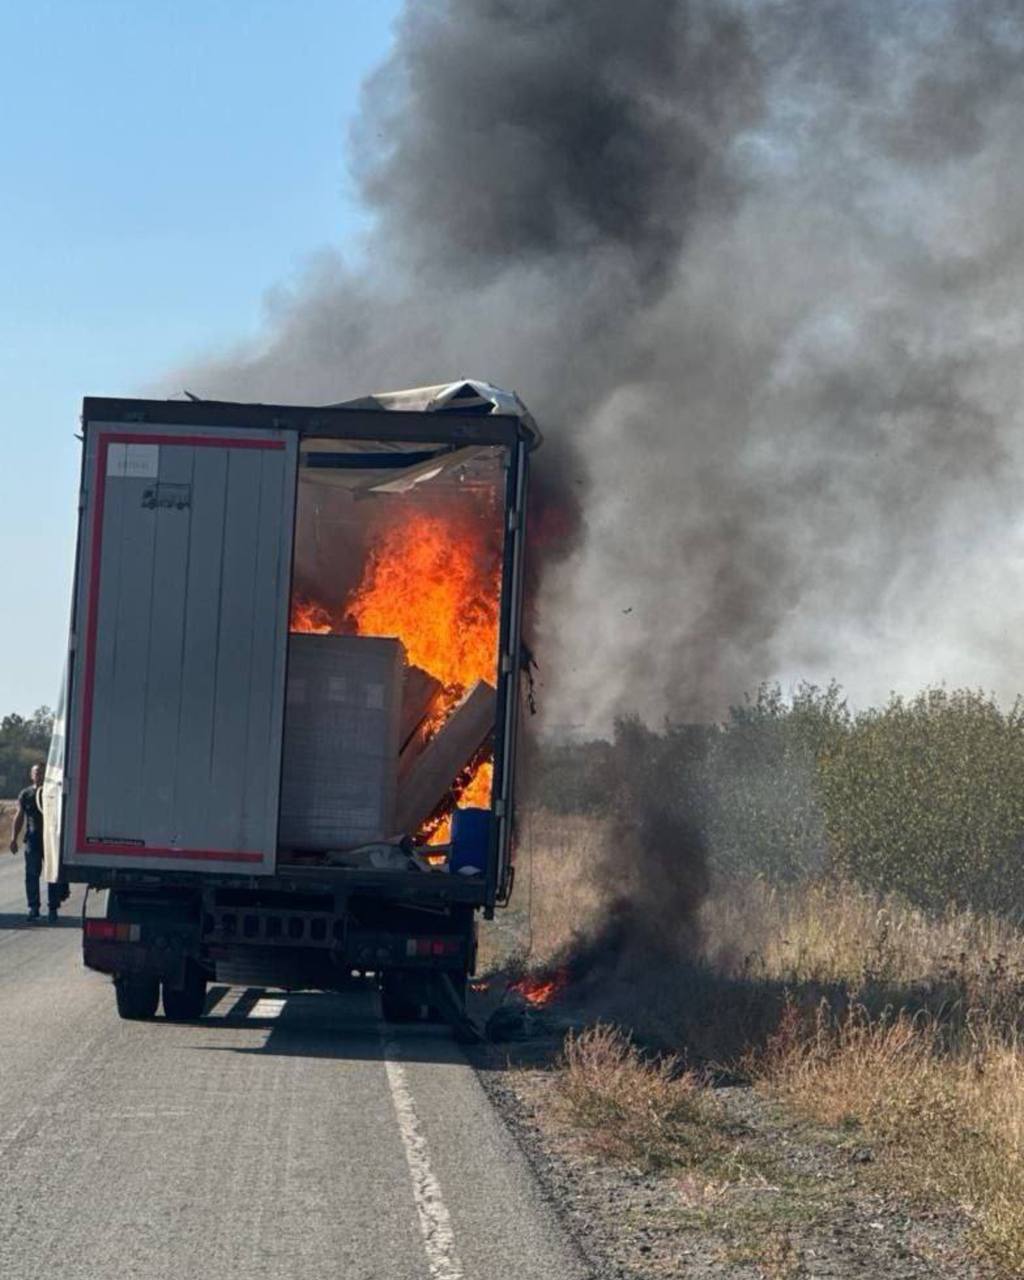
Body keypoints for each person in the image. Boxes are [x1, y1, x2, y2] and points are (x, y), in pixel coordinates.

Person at [9, 762, 61, 923]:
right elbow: (19, 816)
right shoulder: (25, 794)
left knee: (53, 874)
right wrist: (13, 838)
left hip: (51, 840)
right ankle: (33, 908)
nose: (38, 775)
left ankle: (53, 908)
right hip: (33, 839)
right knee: (32, 874)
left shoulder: (53, 793)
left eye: (41, 773)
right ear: (31, 775)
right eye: (36, 773)